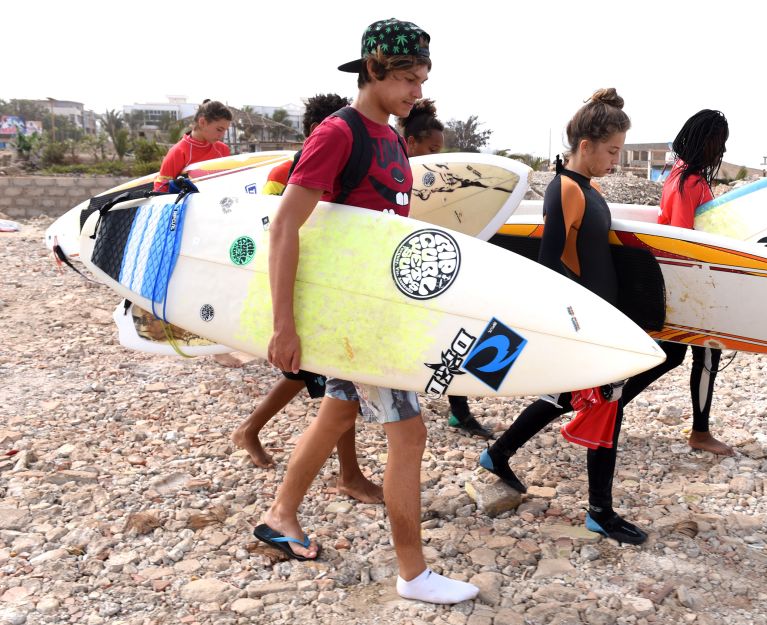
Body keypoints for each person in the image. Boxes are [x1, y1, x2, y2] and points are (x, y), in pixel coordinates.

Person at [253, 18, 478, 605]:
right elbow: (285, 227)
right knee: (409, 435)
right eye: (407, 77)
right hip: (355, 319)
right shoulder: (339, 133)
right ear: (373, 70)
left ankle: (281, 515)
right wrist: (285, 323)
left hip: (376, 311)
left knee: (335, 416)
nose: (417, 90)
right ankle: (413, 573)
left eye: (423, 77)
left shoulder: (392, 138)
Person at [478, 88, 648, 545]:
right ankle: (600, 512)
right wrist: (577, 322)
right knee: (606, 404)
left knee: (567, 396)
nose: (615, 160)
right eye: (611, 151)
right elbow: (552, 262)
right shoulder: (567, 189)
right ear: (586, 145)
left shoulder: (587, 188)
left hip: (601, 310)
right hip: (588, 318)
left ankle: (498, 454)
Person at [232, 94, 366, 475]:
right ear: (319, 131)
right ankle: (346, 475)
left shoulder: (344, 161)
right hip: (304, 283)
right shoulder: (291, 170)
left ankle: (251, 430)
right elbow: (271, 228)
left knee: (315, 378)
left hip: (329, 282)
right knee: (329, 382)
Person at [619, 109, 735, 456]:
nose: (722, 151)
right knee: (707, 355)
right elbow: (683, 242)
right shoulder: (689, 183)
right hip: (687, 282)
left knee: (671, 355)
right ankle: (700, 432)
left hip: (679, 281)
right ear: (706, 142)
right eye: (719, 143)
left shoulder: (680, 174)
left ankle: (608, 409)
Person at [397, 99, 493, 439]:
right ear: (411, 143)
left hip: (431, 268)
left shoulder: (430, 182)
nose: (438, 154)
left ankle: (459, 410)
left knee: (451, 333)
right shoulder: (393, 174)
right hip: (402, 272)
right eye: (432, 148)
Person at [154, 100, 232, 192]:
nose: (222, 135)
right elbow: (161, 189)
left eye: (225, 130)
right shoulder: (178, 152)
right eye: (219, 129)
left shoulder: (223, 149)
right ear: (202, 122)